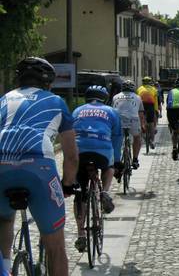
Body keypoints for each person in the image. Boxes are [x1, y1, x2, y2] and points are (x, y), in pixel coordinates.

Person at [0, 57, 78, 276]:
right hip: (39, 167)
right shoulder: (56, 101)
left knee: (4, 218)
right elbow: (71, 156)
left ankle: (5, 268)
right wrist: (68, 184)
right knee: (56, 247)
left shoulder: (2, 100)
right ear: (48, 83)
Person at [71, 85, 122, 252]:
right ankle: (105, 192)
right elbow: (117, 138)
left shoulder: (77, 110)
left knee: (80, 194)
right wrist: (117, 161)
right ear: (105, 98)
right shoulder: (111, 111)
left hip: (80, 151)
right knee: (109, 167)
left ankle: (80, 235)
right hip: (102, 150)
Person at [112, 80, 146, 169]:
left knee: (117, 138)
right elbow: (141, 114)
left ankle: (116, 160)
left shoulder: (115, 97)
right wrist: (142, 125)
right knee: (137, 137)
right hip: (133, 120)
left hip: (118, 120)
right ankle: (135, 159)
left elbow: (112, 111)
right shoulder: (137, 97)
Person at [166, 77, 179, 161]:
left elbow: (167, 102)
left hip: (171, 111)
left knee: (174, 129)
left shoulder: (171, 91)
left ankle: (174, 147)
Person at [136, 77, 158, 149]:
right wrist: (156, 110)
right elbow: (155, 102)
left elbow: (137, 100)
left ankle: (143, 134)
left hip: (141, 105)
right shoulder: (154, 89)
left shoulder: (139, 89)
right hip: (150, 105)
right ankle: (152, 140)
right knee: (151, 122)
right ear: (150, 82)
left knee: (141, 121)